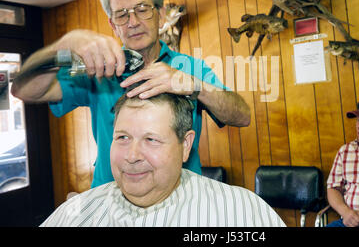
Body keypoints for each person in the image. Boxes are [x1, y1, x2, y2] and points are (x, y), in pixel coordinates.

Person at [11, 0, 250, 188]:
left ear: (160, 15)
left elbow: (241, 116)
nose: (133, 22)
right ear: (113, 25)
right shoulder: (95, 71)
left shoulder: (189, 68)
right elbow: (25, 89)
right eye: (121, 15)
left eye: (142, 9)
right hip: (110, 204)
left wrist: (193, 85)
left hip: (182, 201)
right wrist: (62, 49)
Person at [40, 93, 285, 227]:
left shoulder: (240, 211)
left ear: (186, 145)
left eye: (151, 140)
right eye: (123, 137)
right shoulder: (76, 214)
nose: (132, 156)